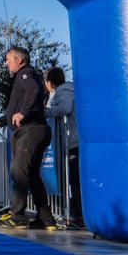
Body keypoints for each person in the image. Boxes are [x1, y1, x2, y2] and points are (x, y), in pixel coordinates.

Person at [0, 46, 55, 230]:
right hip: (34, 130)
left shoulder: (26, 74)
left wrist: (23, 113)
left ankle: (18, 216)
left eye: (8, 59)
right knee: (31, 175)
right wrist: (0, 121)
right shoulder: (22, 77)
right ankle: (46, 218)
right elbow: (15, 108)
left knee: (18, 171)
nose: (6, 63)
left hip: (31, 131)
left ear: (20, 60)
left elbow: (34, 92)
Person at [44, 66, 81, 223]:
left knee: (74, 179)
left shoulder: (64, 90)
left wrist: (44, 112)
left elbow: (65, 108)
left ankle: (77, 214)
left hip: (72, 140)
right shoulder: (65, 90)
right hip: (71, 140)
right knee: (72, 178)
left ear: (49, 82)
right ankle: (75, 212)